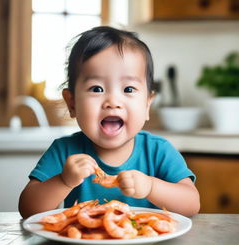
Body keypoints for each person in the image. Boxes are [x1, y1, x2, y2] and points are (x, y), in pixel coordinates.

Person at [19, 26, 200, 218]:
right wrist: (64, 181)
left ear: (147, 105)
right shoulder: (65, 151)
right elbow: (28, 209)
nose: (113, 102)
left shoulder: (158, 151)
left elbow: (192, 204)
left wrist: (150, 187)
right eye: (96, 89)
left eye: (128, 89)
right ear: (72, 103)